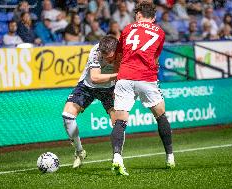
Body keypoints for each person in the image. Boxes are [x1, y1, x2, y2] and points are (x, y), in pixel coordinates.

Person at [110, 1, 175, 176]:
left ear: (138, 15)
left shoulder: (127, 28)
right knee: (160, 114)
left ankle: (117, 157)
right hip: (146, 77)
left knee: (120, 121)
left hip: (124, 77)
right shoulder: (160, 31)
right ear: (153, 17)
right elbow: (155, 58)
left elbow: (120, 54)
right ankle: (170, 156)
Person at [62, 35, 119, 168]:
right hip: (88, 86)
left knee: (118, 122)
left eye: (110, 57)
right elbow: (95, 77)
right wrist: (117, 75)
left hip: (110, 88)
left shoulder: (124, 52)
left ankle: (117, 157)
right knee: (67, 116)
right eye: (104, 56)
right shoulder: (96, 52)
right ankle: (79, 151)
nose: (107, 60)